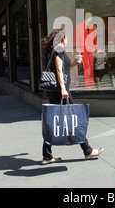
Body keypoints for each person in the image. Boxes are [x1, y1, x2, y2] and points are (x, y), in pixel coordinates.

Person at [41, 28, 103, 165]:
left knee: (55, 120)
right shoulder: (58, 49)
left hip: (58, 91)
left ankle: (47, 155)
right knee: (75, 117)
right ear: (63, 38)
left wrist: (75, 63)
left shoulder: (57, 50)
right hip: (60, 92)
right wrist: (63, 89)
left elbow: (64, 67)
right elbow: (58, 70)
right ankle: (87, 150)